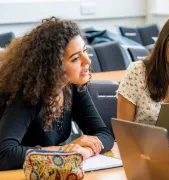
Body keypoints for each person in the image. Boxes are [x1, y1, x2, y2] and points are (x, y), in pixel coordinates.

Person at [0, 17, 114, 171]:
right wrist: (64, 151)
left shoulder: (73, 87)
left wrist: (85, 151)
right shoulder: (28, 94)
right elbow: (5, 154)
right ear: (53, 66)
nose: (87, 60)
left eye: (85, 51)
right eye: (75, 58)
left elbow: (104, 134)